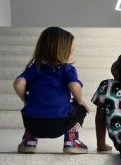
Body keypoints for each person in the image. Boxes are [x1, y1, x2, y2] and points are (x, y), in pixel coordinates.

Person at [13, 26, 90, 154]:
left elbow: (18, 84)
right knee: (80, 108)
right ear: (61, 52)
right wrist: (80, 100)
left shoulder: (34, 69)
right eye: (71, 52)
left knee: (32, 108)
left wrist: (26, 100)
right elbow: (74, 86)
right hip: (60, 123)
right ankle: (71, 141)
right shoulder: (67, 69)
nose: (73, 55)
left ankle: (29, 141)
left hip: (33, 124)